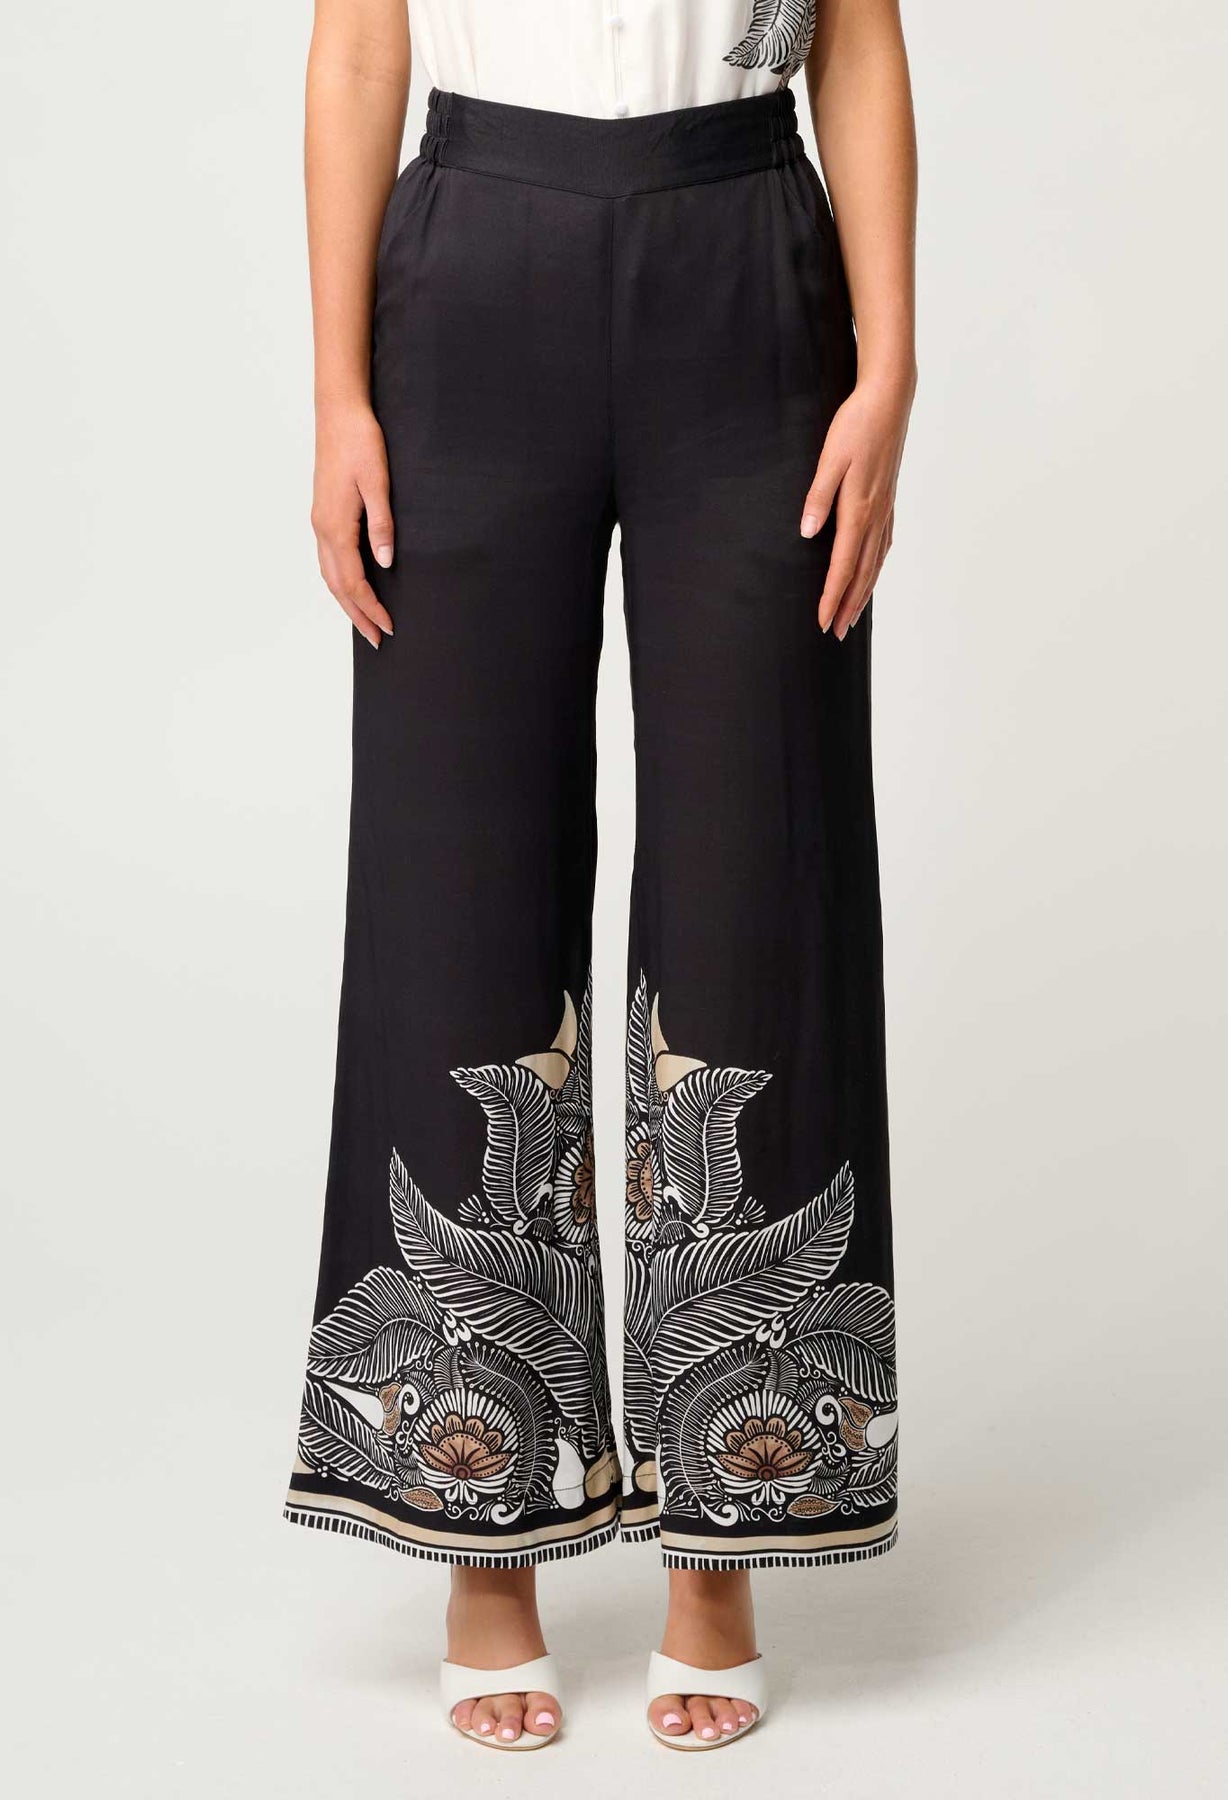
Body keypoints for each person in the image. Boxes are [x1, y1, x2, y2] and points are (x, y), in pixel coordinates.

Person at [286, 0, 916, 1753]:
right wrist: (337, 393)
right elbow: (361, 49)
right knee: (455, 875)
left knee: (758, 873)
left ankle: (725, 1525)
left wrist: (889, 363)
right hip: (475, 273)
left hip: (747, 268)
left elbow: (858, 37)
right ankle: (481, 1523)